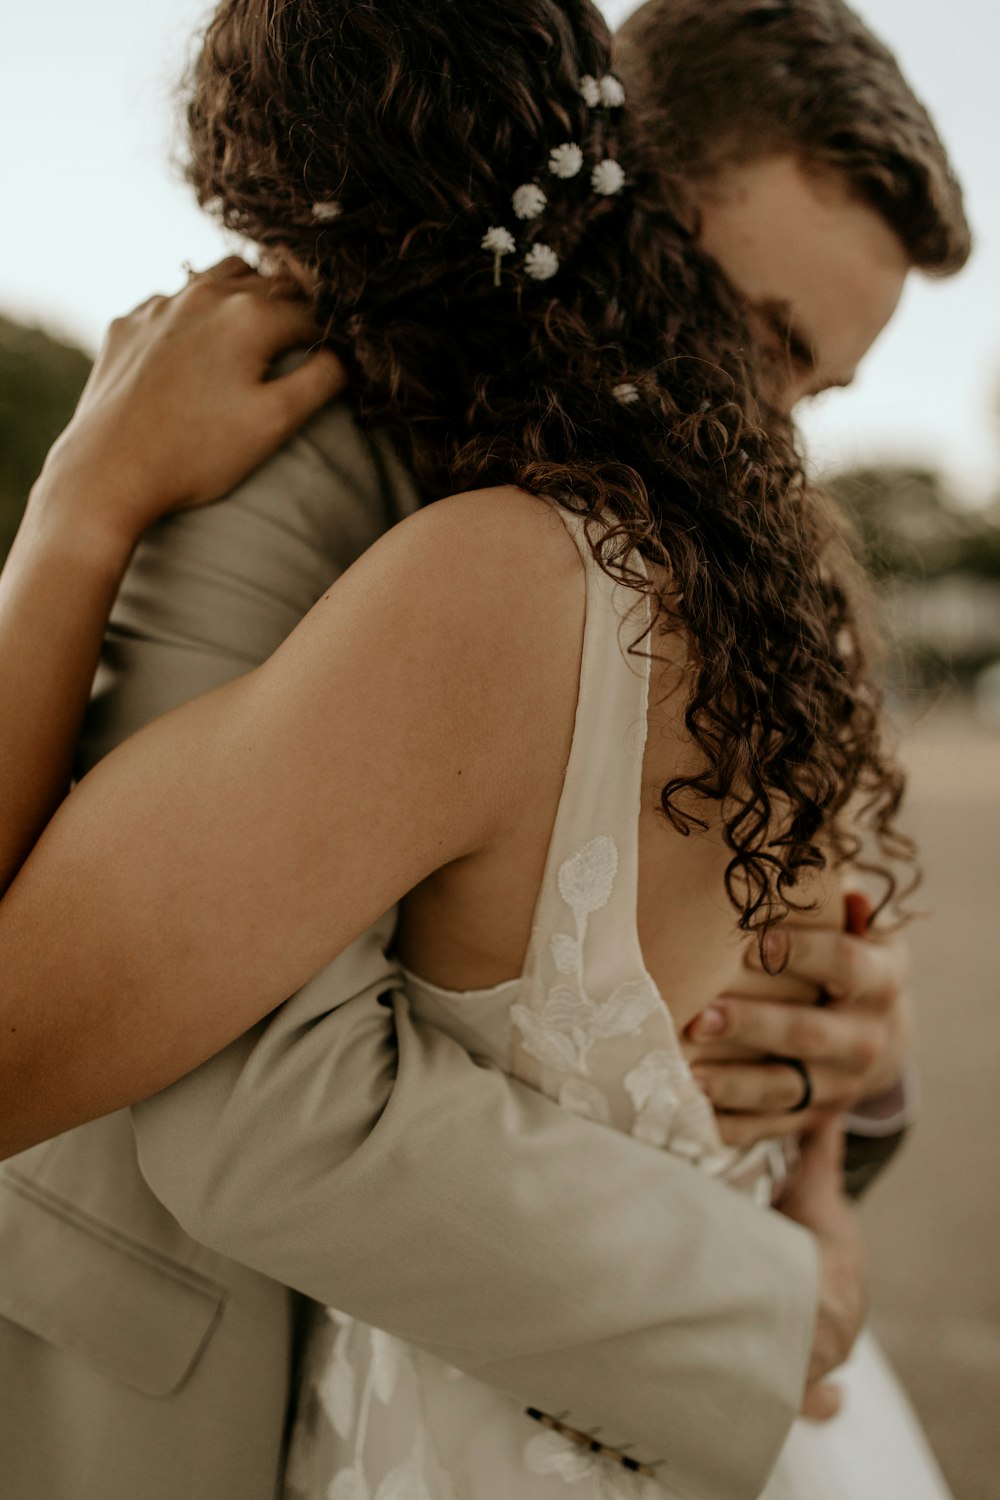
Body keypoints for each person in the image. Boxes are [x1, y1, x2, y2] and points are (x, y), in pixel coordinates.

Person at [0, 7, 967, 1500]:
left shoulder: (746, 563)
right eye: (760, 338)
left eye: (814, 389)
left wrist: (858, 1059)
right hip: (186, 1370)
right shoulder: (289, 463)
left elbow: (759, 1013)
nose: (771, 437)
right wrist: (74, 516)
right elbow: (254, 1098)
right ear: (609, 198)